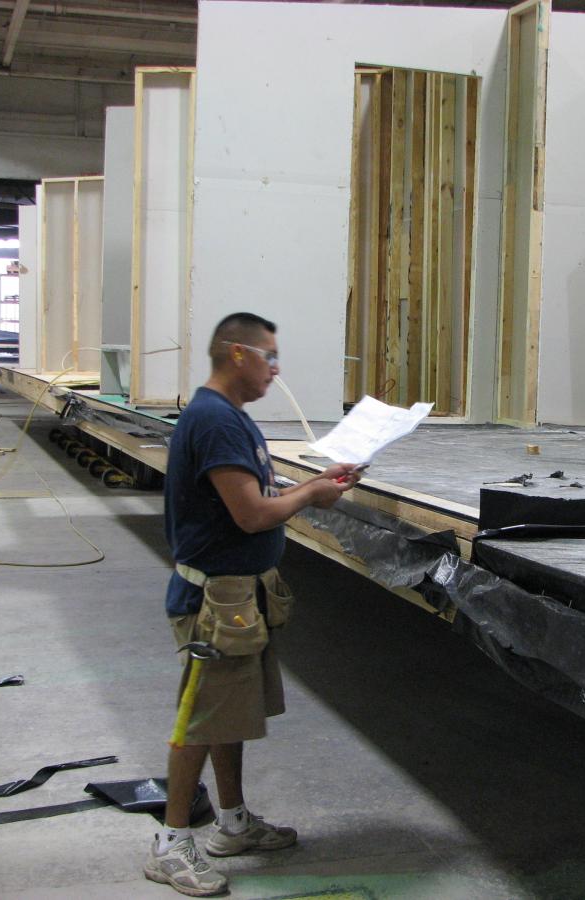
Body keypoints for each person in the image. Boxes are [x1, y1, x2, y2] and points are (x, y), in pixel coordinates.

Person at [144, 312, 361, 897]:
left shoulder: (227, 419)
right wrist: (313, 495)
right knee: (199, 717)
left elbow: (254, 497)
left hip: (237, 597)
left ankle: (232, 823)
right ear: (236, 354)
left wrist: (315, 483)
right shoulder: (215, 422)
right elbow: (249, 515)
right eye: (269, 354)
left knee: (227, 713)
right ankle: (170, 843)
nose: (276, 366)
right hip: (214, 602)